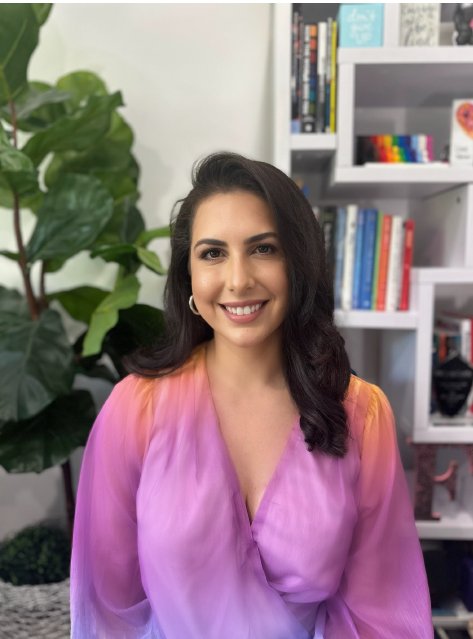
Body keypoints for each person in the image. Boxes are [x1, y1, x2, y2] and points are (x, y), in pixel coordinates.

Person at [70, 152, 434, 638]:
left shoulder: (362, 414)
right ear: (188, 276)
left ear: (298, 263)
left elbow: (380, 614)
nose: (239, 280)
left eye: (263, 248)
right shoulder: (135, 408)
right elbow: (107, 612)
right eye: (213, 253)